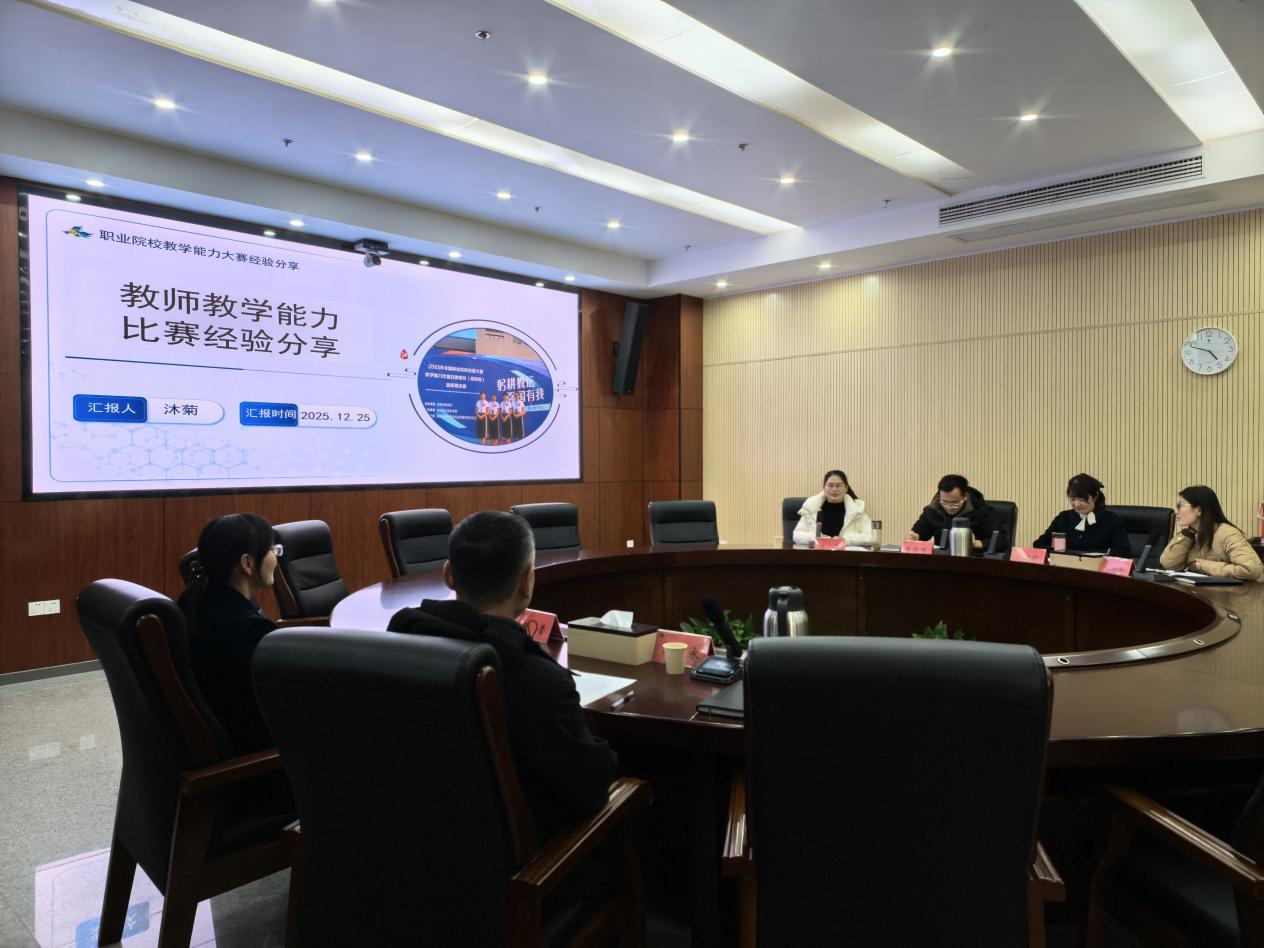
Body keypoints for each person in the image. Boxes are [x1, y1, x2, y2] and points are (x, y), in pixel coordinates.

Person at [388, 511, 617, 841]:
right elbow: (589, 788)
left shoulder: (400, 647)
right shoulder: (540, 681)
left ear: (449, 575)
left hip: (410, 841)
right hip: (518, 861)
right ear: (526, 581)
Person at [178, 513, 281, 754]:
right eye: (272, 550)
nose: (276, 558)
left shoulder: (196, 601)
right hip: (255, 754)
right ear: (247, 563)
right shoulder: (250, 632)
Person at [1160, 485, 1263, 581]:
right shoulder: (1190, 534)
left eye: (1180, 505)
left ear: (1199, 510)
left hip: (1244, 592)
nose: (1176, 511)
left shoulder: (1228, 533)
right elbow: (1169, 565)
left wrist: (1203, 566)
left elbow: (1250, 570)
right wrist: (1186, 536)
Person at [1032, 473, 1131, 557]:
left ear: (1095, 497)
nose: (1076, 504)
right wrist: (1057, 552)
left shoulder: (1112, 520)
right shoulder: (1063, 518)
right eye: (1072, 499)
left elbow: (1124, 552)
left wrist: (1097, 555)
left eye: (1082, 499)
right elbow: (1039, 544)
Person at [906, 474, 1004, 552]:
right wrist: (914, 536)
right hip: (941, 562)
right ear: (940, 496)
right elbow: (920, 532)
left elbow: (1001, 542)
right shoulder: (932, 510)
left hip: (975, 561)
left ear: (965, 497)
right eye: (944, 502)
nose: (949, 507)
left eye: (954, 503)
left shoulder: (984, 512)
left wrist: (976, 544)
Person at [792, 470, 877, 546]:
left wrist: (846, 539)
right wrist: (817, 538)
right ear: (824, 488)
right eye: (830, 485)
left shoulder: (856, 509)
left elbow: (872, 536)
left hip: (846, 555)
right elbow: (797, 535)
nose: (834, 489)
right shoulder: (812, 508)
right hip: (818, 554)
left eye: (839, 485)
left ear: (846, 488)